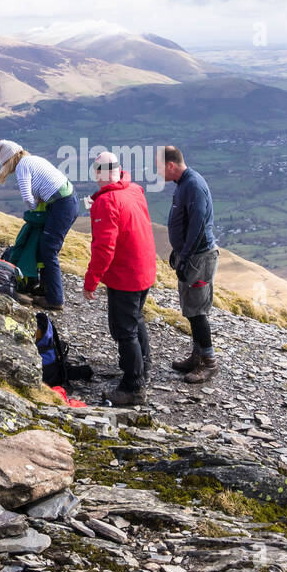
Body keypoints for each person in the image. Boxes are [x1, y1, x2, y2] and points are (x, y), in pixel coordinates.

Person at [82, 151, 158, 406]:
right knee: (135, 318)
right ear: (119, 169)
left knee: (124, 330)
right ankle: (143, 368)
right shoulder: (134, 190)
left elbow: (104, 248)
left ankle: (133, 387)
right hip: (144, 268)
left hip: (126, 275)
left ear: (97, 173)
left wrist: (91, 281)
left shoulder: (107, 202)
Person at [0, 138, 79, 311]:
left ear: (9, 160)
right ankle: (46, 290)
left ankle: (55, 299)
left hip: (61, 205)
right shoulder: (33, 160)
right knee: (46, 247)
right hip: (67, 202)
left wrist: (33, 211)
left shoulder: (23, 166)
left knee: (49, 249)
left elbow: (26, 196)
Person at [162, 145, 220, 383]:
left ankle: (209, 363)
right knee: (190, 309)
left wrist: (185, 256)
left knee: (197, 313)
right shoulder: (185, 184)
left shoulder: (193, 185)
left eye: (160, 168)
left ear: (171, 165)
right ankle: (196, 357)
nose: (158, 174)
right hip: (191, 255)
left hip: (199, 257)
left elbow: (197, 225)